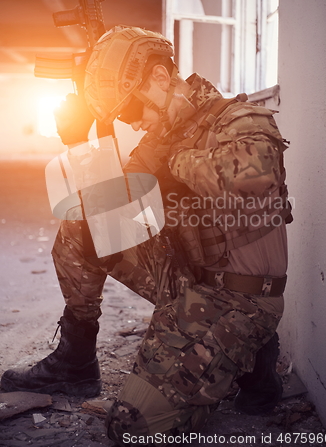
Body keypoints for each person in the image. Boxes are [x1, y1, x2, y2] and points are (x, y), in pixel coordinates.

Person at [1, 26, 291, 444]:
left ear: (158, 78)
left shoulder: (239, 119)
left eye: (133, 109)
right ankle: (77, 360)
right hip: (189, 282)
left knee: (131, 427)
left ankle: (253, 358)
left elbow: (257, 178)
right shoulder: (162, 137)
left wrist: (175, 162)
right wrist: (86, 139)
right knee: (82, 222)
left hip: (241, 300)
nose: (132, 121)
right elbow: (111, 214)